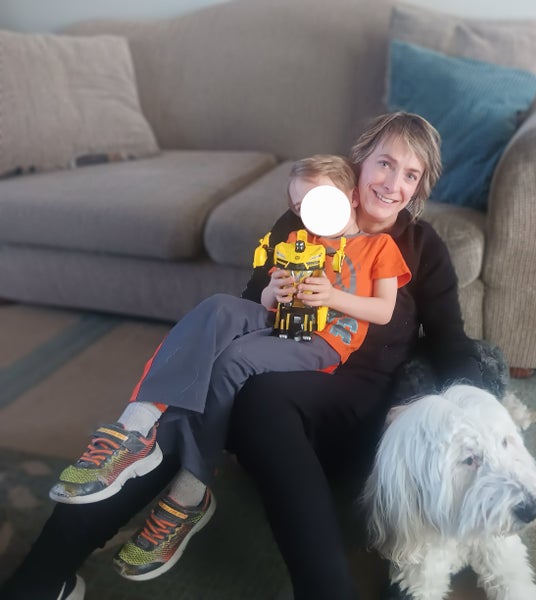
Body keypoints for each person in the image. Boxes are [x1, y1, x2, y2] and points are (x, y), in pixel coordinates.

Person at [0, 113, 486, 600]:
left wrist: (481, 410)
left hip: (351, 404)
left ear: (419, 186)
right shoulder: (305, 218)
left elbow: (451, 340)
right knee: (186, 398)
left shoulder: (420, 245)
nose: (393, 184)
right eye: (384, 163)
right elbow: (251, 305)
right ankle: (44, 575)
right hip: (268, 367)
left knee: (256, 395)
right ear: (358, 162)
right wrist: (274, 293)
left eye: (411, 174)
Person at [49, 154, 410, 581]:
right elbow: (265, 301)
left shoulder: (378, 247)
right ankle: (135, 426)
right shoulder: (300, 241)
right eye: (300, 207)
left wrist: (331, 296)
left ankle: (190, 491)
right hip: (278, 321)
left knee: (232, 361)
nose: (307, 214)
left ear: (349, 198)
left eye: (318, 201)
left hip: (323, 341)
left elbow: (383, 310)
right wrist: (274, 292)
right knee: (219, 308)